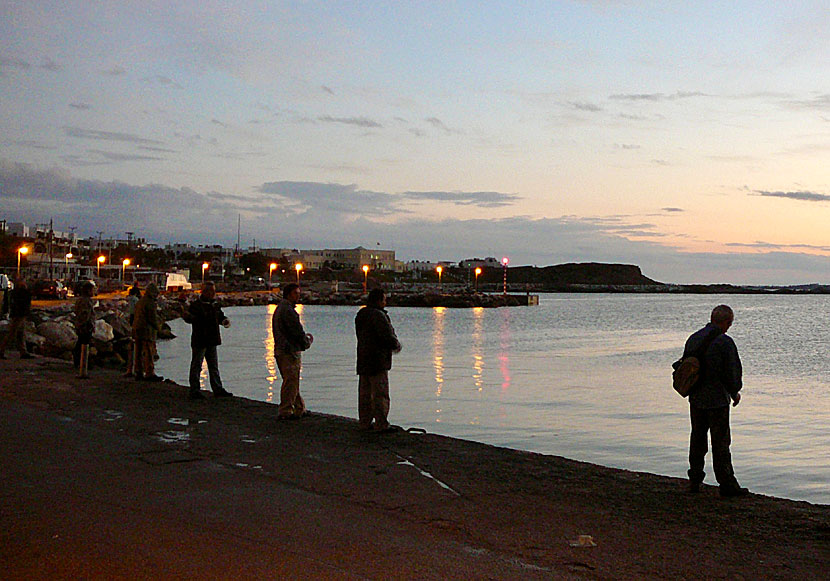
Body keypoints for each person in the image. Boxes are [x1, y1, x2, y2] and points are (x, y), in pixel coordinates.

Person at [680, 304, 748, 498]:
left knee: (697, 438)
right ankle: (726, 484)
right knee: (721, 442)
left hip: (696, 398)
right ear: (726, 322)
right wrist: (735, 392)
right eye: (730, 323)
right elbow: (732, 373)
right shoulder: (725, 342)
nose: (730, 327)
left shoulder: (693, 338)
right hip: (717, 399)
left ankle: (694, 480)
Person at [355, 288, 401, 432]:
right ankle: (381, 423)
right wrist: (396, 345)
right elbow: (387, 336)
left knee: (365, 394)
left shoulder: (361, 314)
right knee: (380, 394)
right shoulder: (379, 316)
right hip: (378, 360)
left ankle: (364, 422)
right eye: (384, 299)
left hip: (363, 358)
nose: (385, 302)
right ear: (379, 300)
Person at [182, 281, 233, 400]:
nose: (213, 294)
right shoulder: (196, 306)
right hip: (200, 339)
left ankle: (217, 389)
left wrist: (224, 320)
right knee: (197, 365)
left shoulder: (214, 305)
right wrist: (188, 317)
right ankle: (195, 390)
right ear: (205, 292)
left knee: (213, 366)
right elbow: (189, 318)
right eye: (212, 291)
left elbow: (220, 316)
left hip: (211, 339)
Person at [272, 282, 313, 419]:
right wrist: (306, 342)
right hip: (289, 351)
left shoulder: (280, 309)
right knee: (291, 381)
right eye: (296, 293)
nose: (298, 296)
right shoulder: (288, 311)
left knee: (291, 380)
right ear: (289, 294)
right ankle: (286, 410)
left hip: (281, 349)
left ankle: (299, 407)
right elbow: (296, 331)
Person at [132, 282, 163, 382]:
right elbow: (152, 318)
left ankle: (138, 371)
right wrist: (159, 329)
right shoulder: (150, 303)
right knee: (149, 352)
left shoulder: (140, 301)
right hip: (146, 331)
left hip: (137, 329)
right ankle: (150, 373)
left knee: (138, 352)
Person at [0, 278, 34, 359]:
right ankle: (1, 350)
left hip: (18, 314)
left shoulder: (14, 292)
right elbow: (25, 302)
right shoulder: (21, 292)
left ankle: (23, 352)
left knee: (20, 334)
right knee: (12, 333)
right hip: (19, 315)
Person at [73, 281, 95, 378]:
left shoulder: (83, 300)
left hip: (82, 326)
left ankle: (80, 362)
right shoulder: (85, 301)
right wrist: (86, 325)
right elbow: (84, 315)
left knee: (81, 343)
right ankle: (82, 364)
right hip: (85, 327)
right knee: (84, 344)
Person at [123, 285, 141, 376]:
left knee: (131, 326)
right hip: (135, 315)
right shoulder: (136, 300)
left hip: (131, 315)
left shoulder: (129, 299)